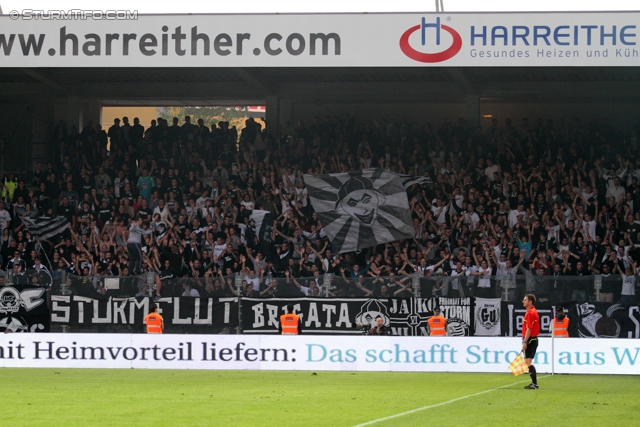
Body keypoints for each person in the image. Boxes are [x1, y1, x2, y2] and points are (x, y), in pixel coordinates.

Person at [522, 294, 540, 389]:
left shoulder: (530, 313)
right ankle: (534, 383)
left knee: (528, 362)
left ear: (530, 302)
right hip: (533, 339)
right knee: (528, 361)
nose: (523, 301)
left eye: (525, 300)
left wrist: (525, 341)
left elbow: (529, 328)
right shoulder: (533, 311)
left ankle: (534, 383)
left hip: (530, 339)